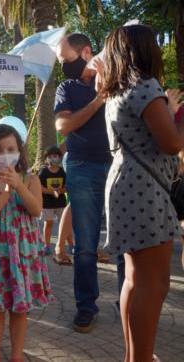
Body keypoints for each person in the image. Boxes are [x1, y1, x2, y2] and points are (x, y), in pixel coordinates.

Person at [98, 24, 182, 362]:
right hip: (145, 190)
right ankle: (142, 357)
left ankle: (135, 355)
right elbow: (172, 142)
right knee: (154, 281)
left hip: (127, 185)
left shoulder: (117, 91)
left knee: (135, 278)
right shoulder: (146, 87)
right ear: (146, 50)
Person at [0, 124, 52, 362]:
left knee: (20, 309)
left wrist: (18, 185)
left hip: (23, 255)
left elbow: (36, 209)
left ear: (19, 150)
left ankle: (17, 355)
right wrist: (7, 192)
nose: (5, 155)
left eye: (10, 148)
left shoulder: (31, 180)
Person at [54, 33, 114, 333]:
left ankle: (129, 296)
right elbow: (63, 125)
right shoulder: (67, 87)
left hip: (118, 165)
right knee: (86, 245)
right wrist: (97, 101)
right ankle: (86, 307)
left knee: (124, 239)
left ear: (87, 51)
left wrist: (107, 86)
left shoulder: (117, 77)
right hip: (81, 166)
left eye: (65, 59)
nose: (63, 66)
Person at [38, 145, 69, 261]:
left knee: (64, 224)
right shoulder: (43, 172)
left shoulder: (62, 172)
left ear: (60, 157)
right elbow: (39, 186)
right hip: (47, 204)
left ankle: (70, 245)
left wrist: (60, 191)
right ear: (47, 158)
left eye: (56, 156)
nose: (53, 158)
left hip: (61, 203)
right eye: (50, 156)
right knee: (48, 223)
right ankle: (46, 245)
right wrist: (51, 192)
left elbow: (67, 187)